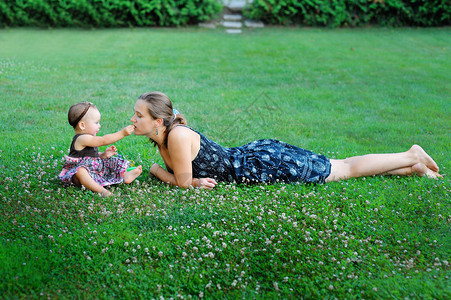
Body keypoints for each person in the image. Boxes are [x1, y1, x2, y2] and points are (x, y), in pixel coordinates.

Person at [131, 91, 441, 190]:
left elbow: (184, 182)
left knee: (342, 168)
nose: (133, 120)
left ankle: (411, 154)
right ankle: (411, 168)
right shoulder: (165, 134)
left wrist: (158, 172)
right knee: (337, 168)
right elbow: (188, 178)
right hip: (251, 158)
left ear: (157, 121)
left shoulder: (177, 136)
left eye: (138, 115)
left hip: (264, 163)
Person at [59, 101, 142, 196]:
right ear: (82, 125)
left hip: (95, 170)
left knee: (111, 162)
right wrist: (122, 133)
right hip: (81, 174)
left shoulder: (88, 138)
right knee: (81, 172)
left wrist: (103, 155)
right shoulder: (81, 138)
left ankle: (126, 176)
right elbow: (102, 140)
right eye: (96, 122)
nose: (99, 125)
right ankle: (101, 190)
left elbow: (88, 156)